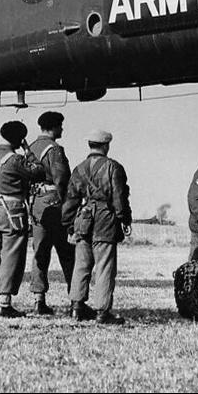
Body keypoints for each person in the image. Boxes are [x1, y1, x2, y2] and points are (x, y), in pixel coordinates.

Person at [62, 129, 132, 325]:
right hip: (105, 219)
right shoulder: (114, 167)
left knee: (81, 265)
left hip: (83, 218)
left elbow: (70, 199)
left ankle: (76, 307)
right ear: (106, 146)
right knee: (104, 266)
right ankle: (102, 312)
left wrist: (69, 226)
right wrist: (124, 218)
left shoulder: (79, 169)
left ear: (90, 145)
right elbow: (119, 197)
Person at [0, 120, 46, 318]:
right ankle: (5, 302)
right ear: (20, 139)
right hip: (12, 211)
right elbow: (39, 172)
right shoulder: (14, 159)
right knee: (11, 256)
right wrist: (28, 151)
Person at [27, 110, 74, 317]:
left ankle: (39, 300)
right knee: (67, 253)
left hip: (36, 204)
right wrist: (69, 206)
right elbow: (62, 180)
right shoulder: (54, 149)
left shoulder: (30, 148)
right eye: (60, 125)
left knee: (40, 252)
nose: (62, 129)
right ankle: (76, 299)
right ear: (53, 127)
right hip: (54, 204)